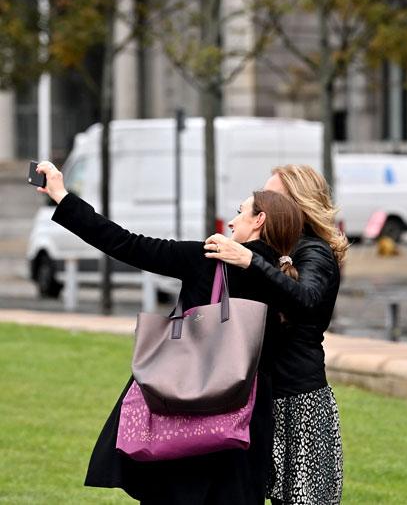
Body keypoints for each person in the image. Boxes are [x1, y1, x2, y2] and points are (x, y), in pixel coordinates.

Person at [33, 161, 303, 504]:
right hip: (246, 421)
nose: (232, 221)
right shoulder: (287, 283)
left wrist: (62, 195)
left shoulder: (208, 258)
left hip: (187, 410)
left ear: (260, 220)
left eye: (241, 212)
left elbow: (124, 243)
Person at [205, 164, 347, 505]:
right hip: (264, 399)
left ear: (298, 203)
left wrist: (250, 262)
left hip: (301, 401)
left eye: (274, 196)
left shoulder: (313, 251)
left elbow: (307, 300)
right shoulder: (266, 252)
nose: (264, 203)